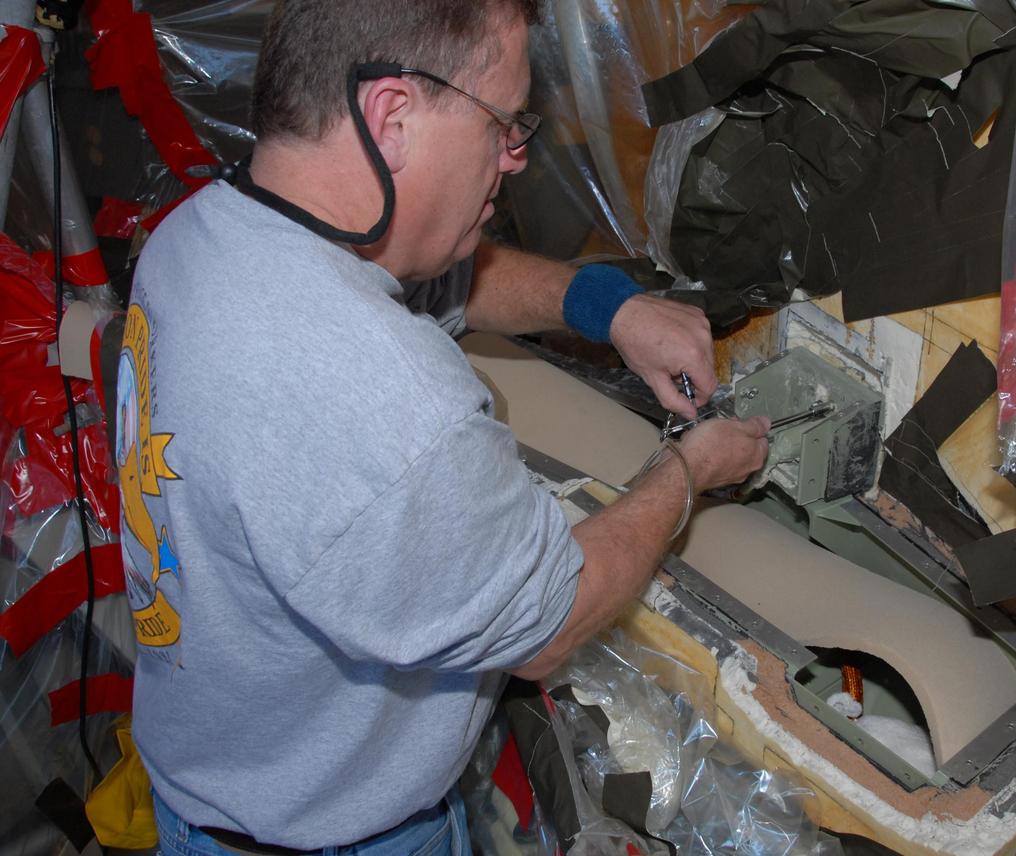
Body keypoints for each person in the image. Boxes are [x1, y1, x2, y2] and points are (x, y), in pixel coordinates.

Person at [115, 1, 770, 853]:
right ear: (392, 115)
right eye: (503, 123)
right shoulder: (387, 405)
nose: (518, 157)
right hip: (329, 835)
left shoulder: (200, 235)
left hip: (214, 777)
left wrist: (609, 307)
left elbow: (423, 274)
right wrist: (690, 469)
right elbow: (552, 617)